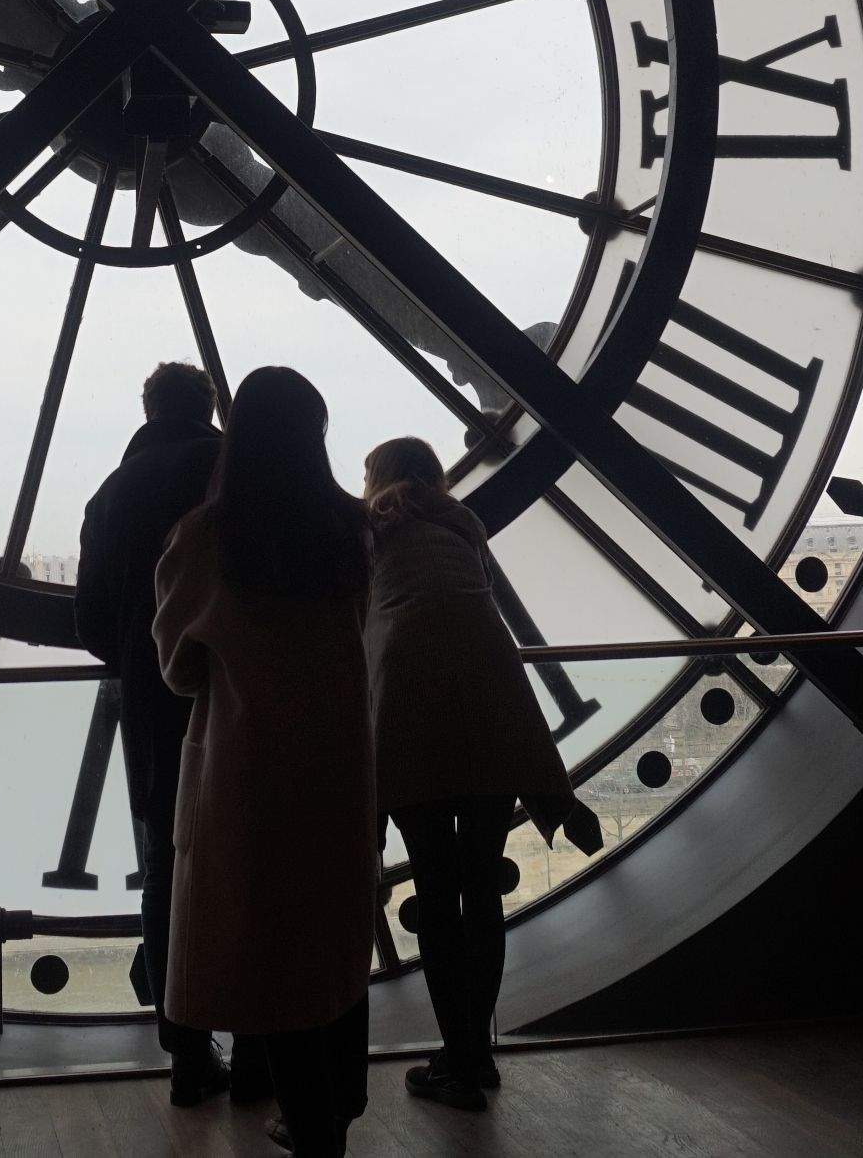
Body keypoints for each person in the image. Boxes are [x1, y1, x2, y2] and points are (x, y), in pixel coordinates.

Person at [153, 367, 374, 1157]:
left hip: (243, 772)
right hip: (341, 761)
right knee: (332, 941)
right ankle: (334, 1111)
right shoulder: (352, 531)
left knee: (267, 951)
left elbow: (178, 665)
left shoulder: (205, 537)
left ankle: (311, 1117)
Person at [360, 435, 577, 1111]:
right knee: (481, 887)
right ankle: (475, 1053)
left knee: (436, 880)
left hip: (408, 705)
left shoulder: (376, 522)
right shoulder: (463, 524)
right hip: (492, 699)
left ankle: (459, 1053)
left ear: (380, 479)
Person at [72, 361, 246, 1105]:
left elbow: (93, 623)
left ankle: (186, 1045)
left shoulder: (111, 495)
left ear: (147, 408)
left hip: (149, 702)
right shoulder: (227, 469)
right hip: (234, 695)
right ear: (209, 406)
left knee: (167, 872)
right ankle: (259, 1039)